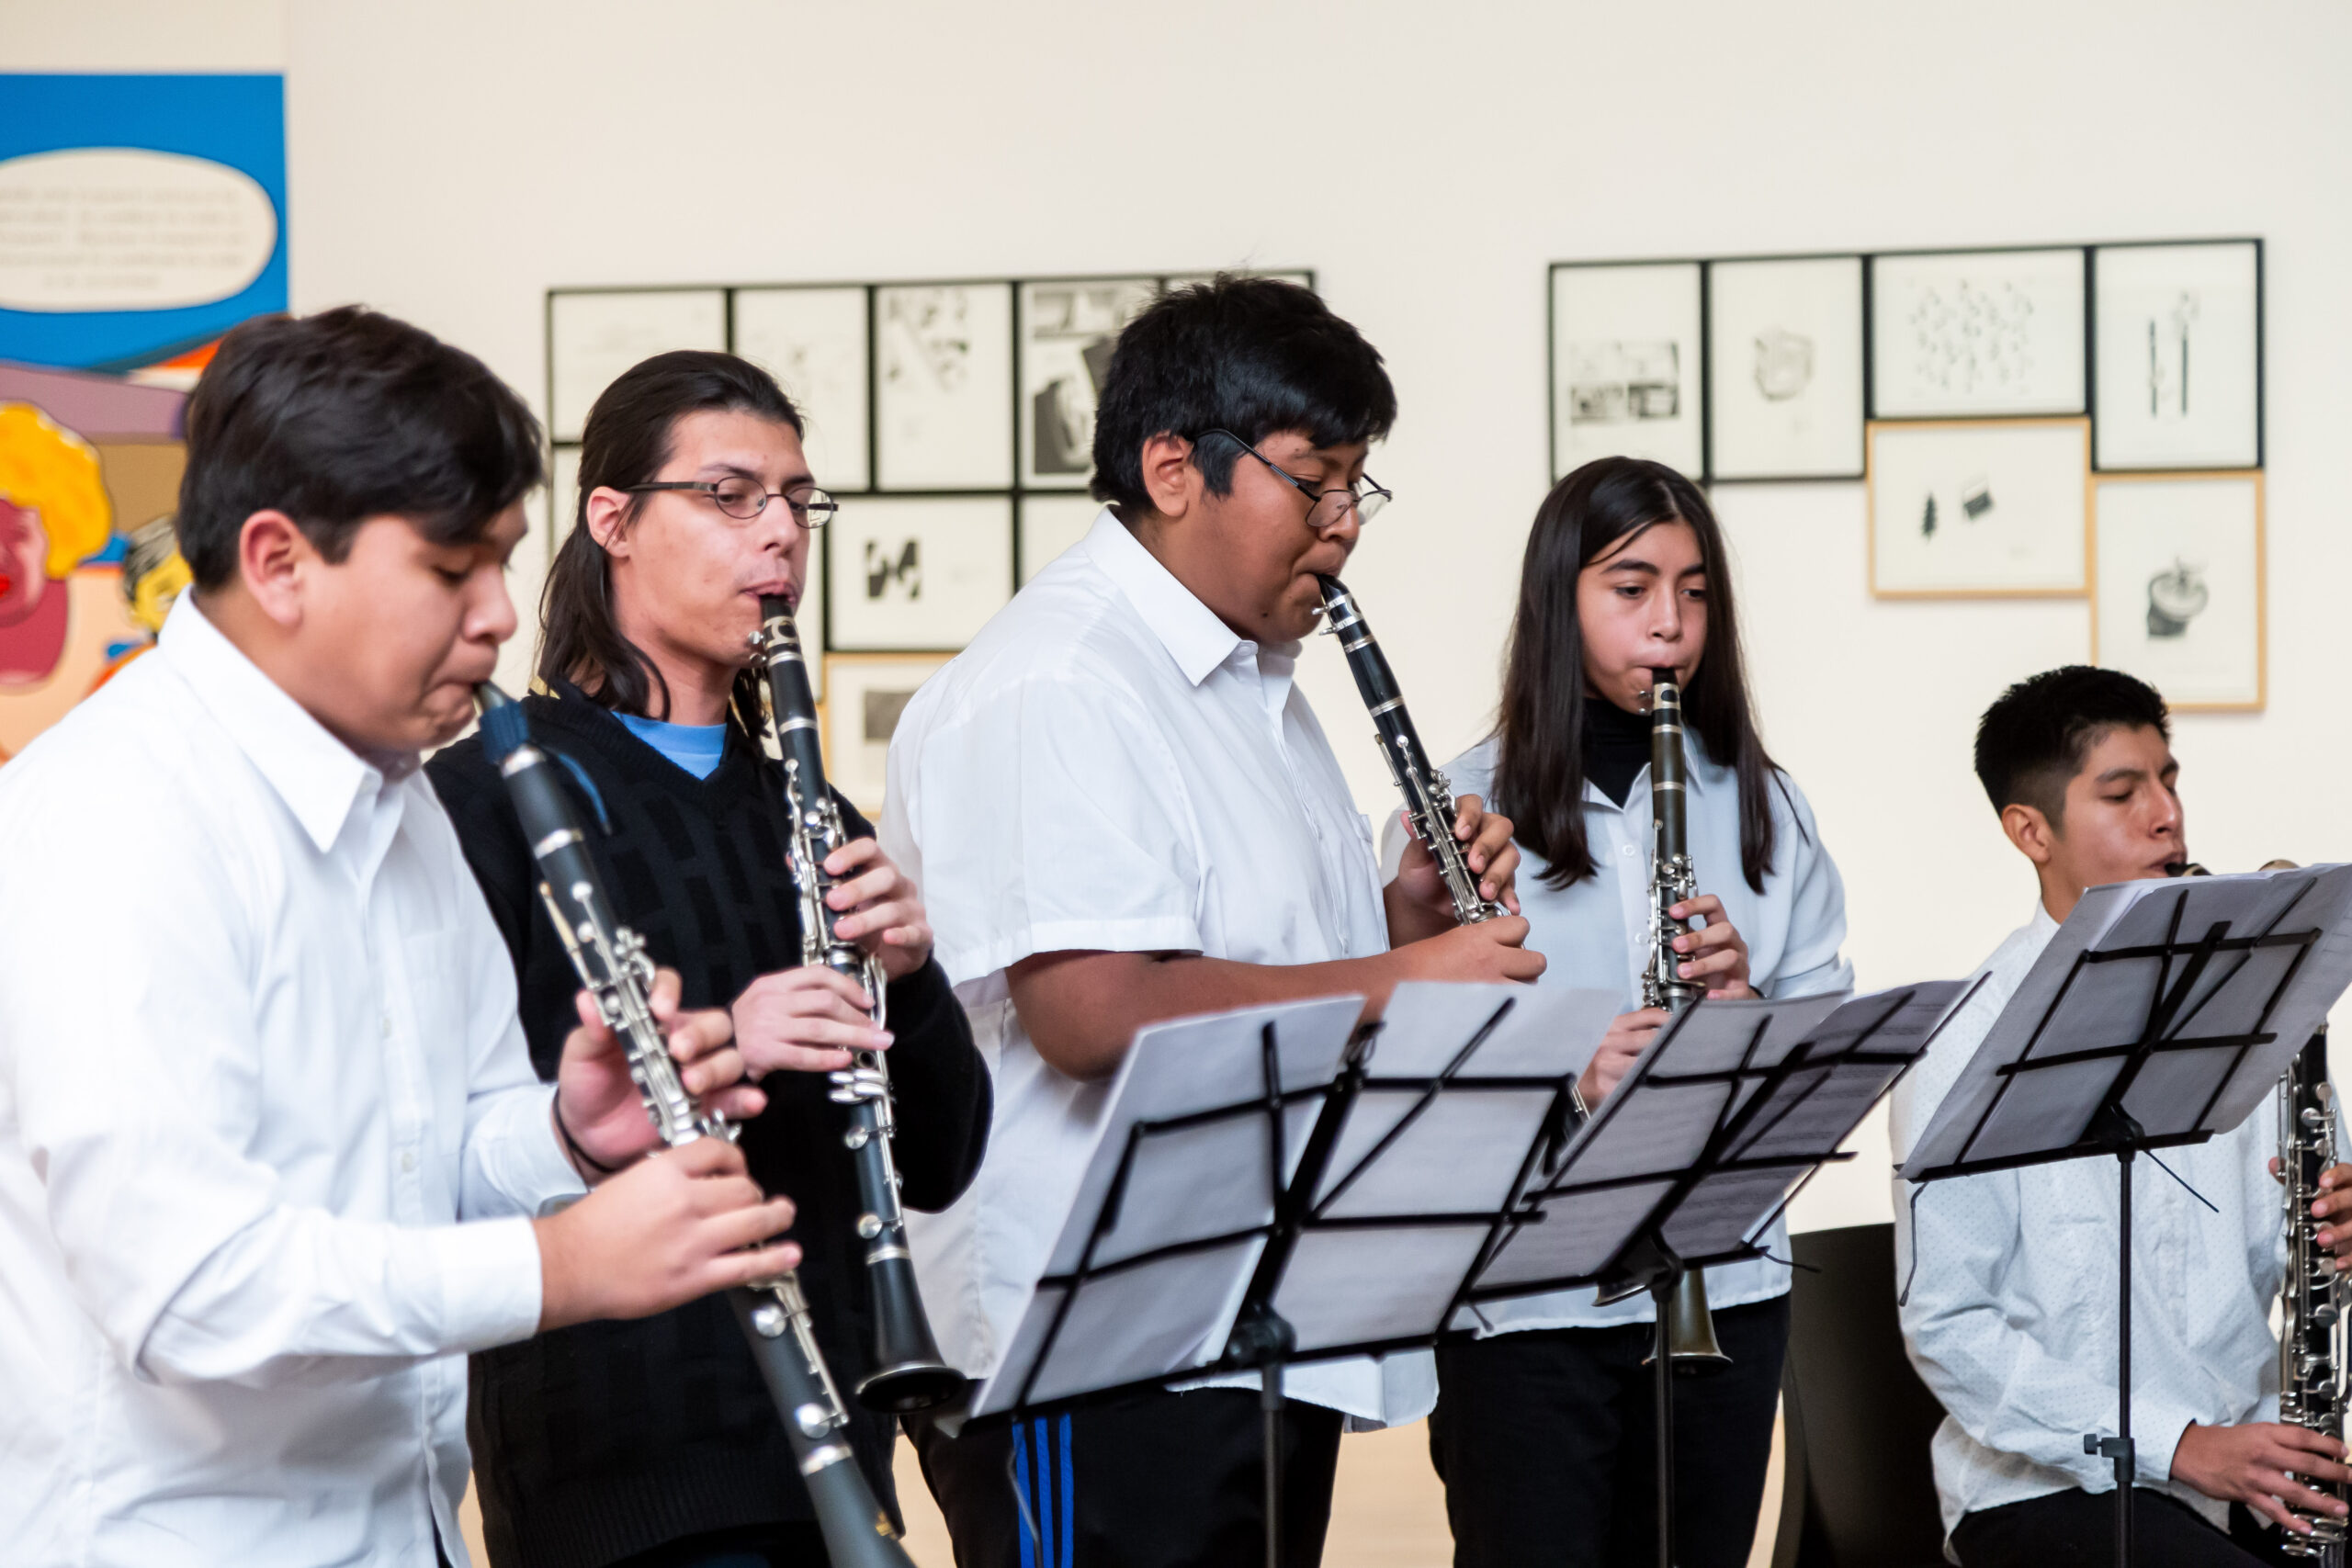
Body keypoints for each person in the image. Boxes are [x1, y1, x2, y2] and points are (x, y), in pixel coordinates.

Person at [0, 307, 799, 1568]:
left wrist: (566, 1136)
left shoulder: (407, 797)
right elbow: (188, 1283)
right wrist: (556, 1265)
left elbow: (431, 1153)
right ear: (278, 562)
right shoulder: (115, 815)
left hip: (397, 1525)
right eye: (451, 569)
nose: (496, 617)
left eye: (503, 563)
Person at [882, 275, 1543, 1568]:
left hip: (1242, 1320)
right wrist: (1412, 975)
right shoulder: (1059, 681)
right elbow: (1096, 1011)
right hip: (1089, 1351)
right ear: (1174, 466)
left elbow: (1276, 961)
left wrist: (1405, 906)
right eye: (1318, 481)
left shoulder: (1257, 687)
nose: (1346, 526)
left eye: (1361, 486)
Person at [428, 349, 990, 1568]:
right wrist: (736, 1034)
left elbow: (943, 1158)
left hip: (838, 1448)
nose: (778, 532)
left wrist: (911, 970)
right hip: (619, 1479)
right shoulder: (489, 795)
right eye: (730, 495)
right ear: (612, 519)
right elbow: (468, 1143)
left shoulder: (816, 811)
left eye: (797, 499)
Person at [1385, 456, 1851, 1568]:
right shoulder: (1460, 805)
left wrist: (1741, 1012)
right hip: (1525, 1305)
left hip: (1724, 1292)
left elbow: (1823, 1037)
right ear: (1562, 599)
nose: (1670, 626)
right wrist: (1569, 1069)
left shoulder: (1766, 800)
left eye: (1694, 594)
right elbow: (1409, 1070)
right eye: (1631, 588)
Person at [1893, 666, 2352, 1567]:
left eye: (2167, 779)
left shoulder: (2255, 1006)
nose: (2164, 815)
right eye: (2121, 792)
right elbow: (1949, 1327)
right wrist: (2174, 1443)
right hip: (2045, 1487)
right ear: (2029, 831)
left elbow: (2296, 1269)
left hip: (2251, 1456)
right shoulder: (1963, 1042)